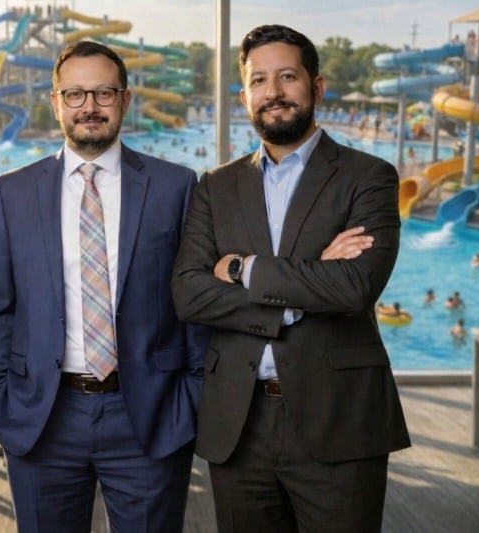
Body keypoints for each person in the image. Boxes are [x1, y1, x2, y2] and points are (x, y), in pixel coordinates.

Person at [171, 25, 410, 532]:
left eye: (287, 76)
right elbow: (189, 293)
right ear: (244, 96)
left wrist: (242, 268)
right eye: (258, 80)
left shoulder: (368, 176)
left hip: (339, 418)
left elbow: (354, 287)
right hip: (238, 421)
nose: (273, 92)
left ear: (316, 86)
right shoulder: (215, 185)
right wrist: (305, 287)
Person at [0, 41, 207, 532]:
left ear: (125, 100)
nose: (89, 106)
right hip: (42, 416)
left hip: (150, 414)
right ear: (55, 102)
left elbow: (194, 303)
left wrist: (190, 396)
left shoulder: (176, 186)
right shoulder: (12, 192)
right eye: (75, 94)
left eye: (103, 92)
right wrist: (2, 398)